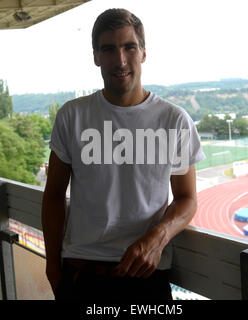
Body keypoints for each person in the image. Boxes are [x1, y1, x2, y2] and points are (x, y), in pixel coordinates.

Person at [41, 8, 205, 301]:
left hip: (145, 276)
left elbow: (187, 199)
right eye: (109, 49)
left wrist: (156, 239)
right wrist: (52, 264)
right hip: (81, 274)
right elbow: (53, 194)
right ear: (96, 57)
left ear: (143, 52)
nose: (120, 60)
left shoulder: (174, 121)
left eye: (129, 47)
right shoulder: (72, 116)